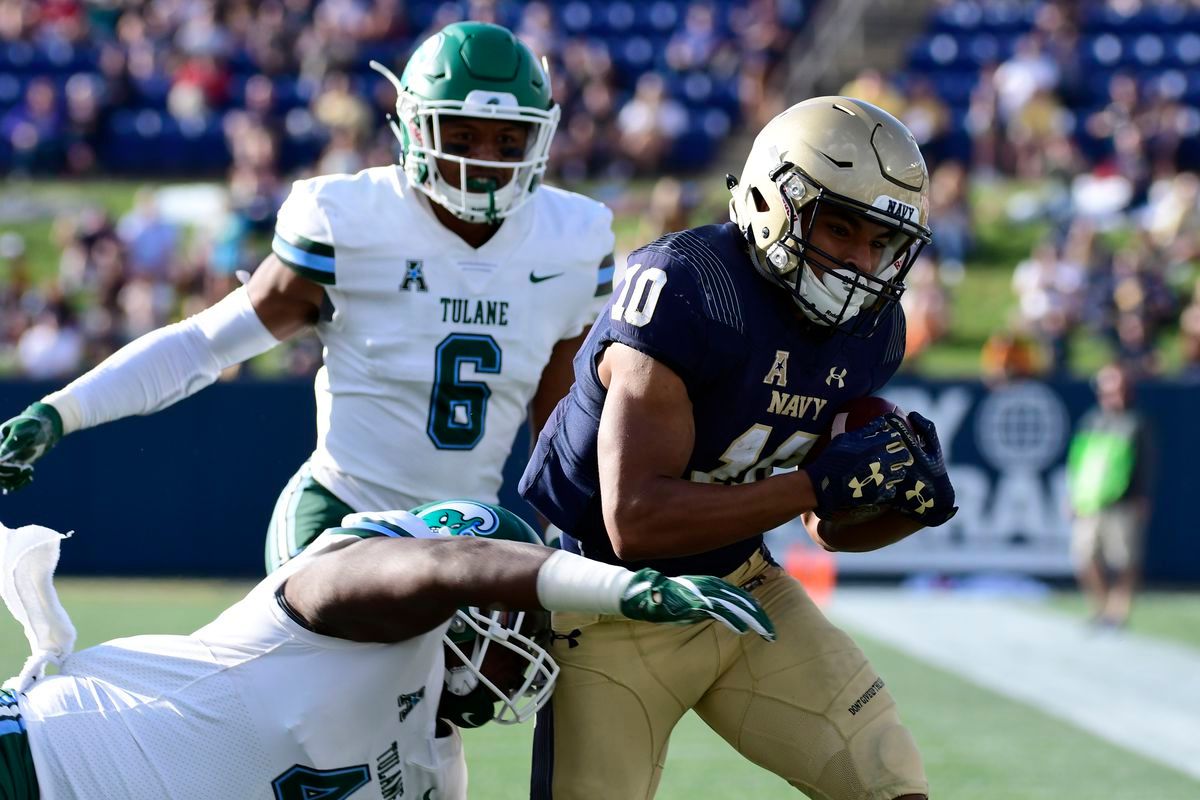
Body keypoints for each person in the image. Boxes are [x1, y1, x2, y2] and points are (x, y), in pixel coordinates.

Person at [0, 22, 616, 573]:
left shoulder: (571, 240)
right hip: (340, 522)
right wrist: (62, 412)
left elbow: (561, 432)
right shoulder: (352, 218)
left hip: (464, 536)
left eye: (509, 143)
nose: (484, 162)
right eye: (461, 135)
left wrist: (560, 548)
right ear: (410, 128)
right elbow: (204, 344)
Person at [519, 97, 959, 800]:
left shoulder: (873, 332)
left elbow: (830, 529)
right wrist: (816, 484)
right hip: (610, 601)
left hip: (744, 590)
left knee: (890, 782)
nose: (861, 261)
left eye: (882, 243)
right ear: (767, 199)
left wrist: (909, 504)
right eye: (840, 228)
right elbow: (635, 520)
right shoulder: (691, 288)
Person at [0, 500, 773, 800]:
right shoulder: (328, 601)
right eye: (522, 620)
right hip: (38, 760)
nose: (532, 650)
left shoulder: (440, 778)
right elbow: (443, 566)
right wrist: (619, 588)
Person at [1066, 362, 1154, 628]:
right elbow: (1078, 461)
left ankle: (1119, 609)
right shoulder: (1091, 421)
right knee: (1084, 556)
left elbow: (1145, 462)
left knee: (1125, 559)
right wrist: (1072, 495)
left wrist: (1141, 495)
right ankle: (1101, 606)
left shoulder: (1135, 423)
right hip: (1090, 501)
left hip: (1123, 501)